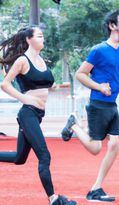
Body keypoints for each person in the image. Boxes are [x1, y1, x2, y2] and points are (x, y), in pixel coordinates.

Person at [0, 26, 76, 205]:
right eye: (39, 36)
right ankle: (53, 199)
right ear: (28, 39)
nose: (43, 39)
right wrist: (24, 98)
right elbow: (5, 84)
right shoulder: (22, 61)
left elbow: (41, 85)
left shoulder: (41, 60)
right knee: (44, 156)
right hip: (28, 114)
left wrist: (59, 87)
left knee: (19, 158)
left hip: (38, 114)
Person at [60, 9, 119, 202]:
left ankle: (96, 189)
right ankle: (73, 124)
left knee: (115, 145)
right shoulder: (98, 50)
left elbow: (114, 79)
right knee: (96, 148)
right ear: (112, 26)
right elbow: (80, 74)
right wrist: (99, 86)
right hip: (98, 104)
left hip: (112, 104)